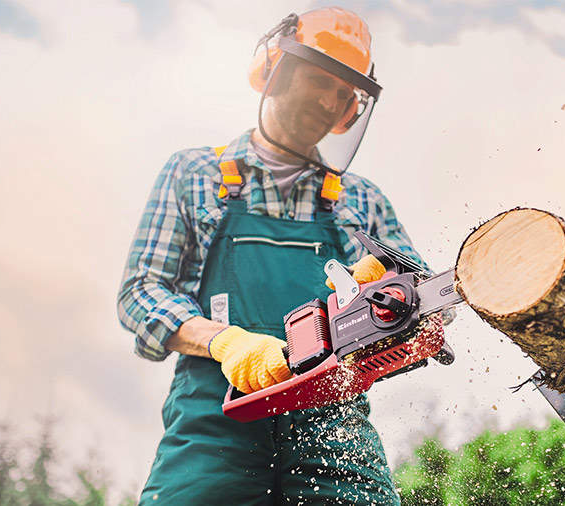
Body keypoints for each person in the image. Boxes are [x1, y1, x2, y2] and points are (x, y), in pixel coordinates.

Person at [117, 7, 434, 505]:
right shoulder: (194, 173)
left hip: (335, 427)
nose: (330, 102)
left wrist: (389, 302)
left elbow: (419, 297)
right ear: (275, 68)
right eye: (319, 80)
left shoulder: (363, 200)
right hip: (214, 419)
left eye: (344, 94)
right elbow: (141, 293)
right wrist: (227, 343)